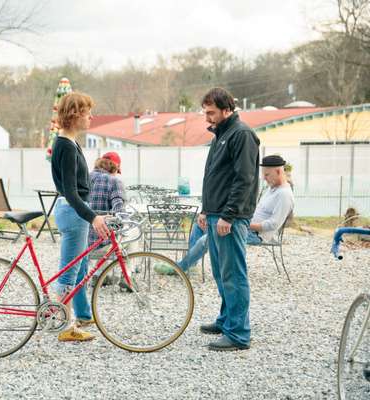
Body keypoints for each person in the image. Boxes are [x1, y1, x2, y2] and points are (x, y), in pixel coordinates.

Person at [197, 87, 260, 351]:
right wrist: (205, 209)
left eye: (211, 113)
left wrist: (228, 215)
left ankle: (238, 333)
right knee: (221, 273)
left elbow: (243, 179)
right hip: (214, 214)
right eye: (205, 112)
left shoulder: (242, 134)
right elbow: (214, 176)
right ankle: (226, 320)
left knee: (233, 274)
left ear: (227, 110)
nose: (207, 118)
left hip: (229, 218)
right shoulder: (221, 135)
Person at [155, 154, 294, 274]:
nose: (264, 178)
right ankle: (190, 265)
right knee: (201, 224)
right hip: (245, 224)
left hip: (255, 234)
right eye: (263, 174)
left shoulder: (284, 195)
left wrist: (244, 224)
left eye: (267, 174)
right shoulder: (273, 188)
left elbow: (273, 224)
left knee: (208, 239)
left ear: (278, 171)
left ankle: (178, 268)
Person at [50, 92, 110, 342]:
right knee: (69, 273)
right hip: (73, 213)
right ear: (75, 115)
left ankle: (75, 316)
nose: (91, 117)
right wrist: (93, 216)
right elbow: (71, 192)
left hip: (73, 212)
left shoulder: (68, 142)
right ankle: (64, 326)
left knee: (76, 268)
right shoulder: (65, 144)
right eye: (87, 113)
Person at [87, 152, 125, 286]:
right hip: (101, 243)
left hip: (81, 242)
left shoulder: (86, 177)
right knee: (131, 235)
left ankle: (99, 274)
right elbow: (119, 212)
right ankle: (127, 276)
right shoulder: (114, 181)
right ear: (114, 168)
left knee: (110, 232)